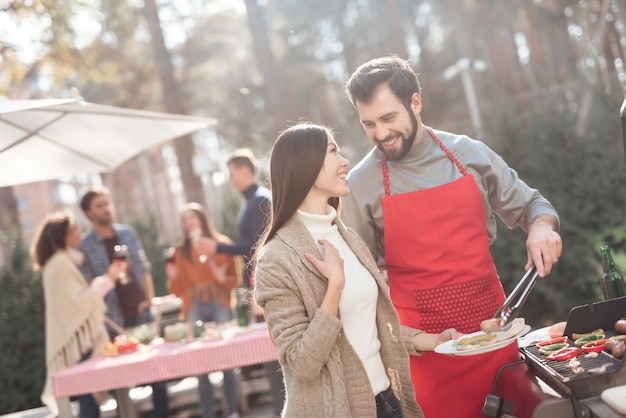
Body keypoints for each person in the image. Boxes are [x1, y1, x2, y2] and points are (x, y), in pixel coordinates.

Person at [342, 55, 563, 417]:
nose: (380, 134)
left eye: (388, 118)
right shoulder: (360, 185)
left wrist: (541, 228)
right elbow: (360, 285)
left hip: (494, 336)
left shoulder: (468, 154)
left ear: (415, 102)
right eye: (368, 124)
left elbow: (532, 205)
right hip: (424, 356)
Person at [254, 123, 426, 418]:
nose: (345, 161)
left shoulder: (345, 234)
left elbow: (369, 326)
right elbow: (303, 363)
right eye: (333, 151)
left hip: (387, 402)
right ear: (305, 165)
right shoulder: (276, 258)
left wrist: (431, 340)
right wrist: (334, 285)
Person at [202, 148, 285, 416]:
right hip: (260, 284)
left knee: (274, 351)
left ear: (246, 171)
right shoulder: (254, 201)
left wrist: (218, 248)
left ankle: (282, 409)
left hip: (269, 285)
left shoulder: (260, 200)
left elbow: (257, 244)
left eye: (232, 173)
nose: (230, 179)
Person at [77, 186, 170, 418]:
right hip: (112, 320)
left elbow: (144, 266)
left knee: (157, 375)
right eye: (100, 205)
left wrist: (149, 299)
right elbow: (88, 285)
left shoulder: (127, 233)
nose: (106, 209)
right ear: (89, 213)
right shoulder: (85, 244)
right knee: (119, 383)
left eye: (108, 203)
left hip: (141, 314)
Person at [32, 211, 124, 418]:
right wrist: (108, 278)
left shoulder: (63, 261)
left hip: (79, 336)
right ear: (61, 236)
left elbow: (78, 300)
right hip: (78, 339)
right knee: (89, 397)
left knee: (90, 396)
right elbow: (78, 305)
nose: (78, 233)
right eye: (73, 229)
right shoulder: (58, 264)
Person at [165, 202, 240, 418]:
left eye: (193, 218)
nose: (189, 223)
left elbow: (234, 280)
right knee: (199, 363)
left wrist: (220, 276)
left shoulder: (222, 244)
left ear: (203, 219)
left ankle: (232, 411)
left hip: (220, 301)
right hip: (193, 305)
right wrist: (173, 279)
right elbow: (177, 290)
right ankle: (208, 414)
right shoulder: (179, 252)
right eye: (185, 220)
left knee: (228, 358)